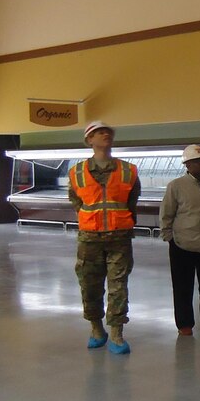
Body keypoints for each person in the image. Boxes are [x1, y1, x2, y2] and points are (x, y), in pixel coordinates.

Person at [68, 120, 140, 354]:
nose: (105, 135)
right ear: (89, 140)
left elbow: (132, 200)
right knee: (89, 285)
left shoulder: (128, 170)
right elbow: (76, 201)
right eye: (99, 133)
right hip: (89, 238)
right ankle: (97, 330)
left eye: (108, 132)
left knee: (119, 287)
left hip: (119, 238)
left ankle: (117, 335)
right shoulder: (76, 171)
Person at [160, 144, 200, 337]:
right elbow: (167, 213)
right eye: (198, 161)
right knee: (182, 286)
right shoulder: (176, 186)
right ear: (187, 165)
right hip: (182, 244)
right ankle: (185, 323)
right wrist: (169, 237)